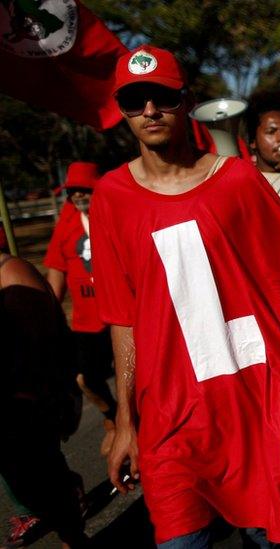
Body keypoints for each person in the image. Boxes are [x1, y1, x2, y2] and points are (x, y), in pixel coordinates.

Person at [93, 45, 280, 548]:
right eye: (134, 101)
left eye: (161, 98)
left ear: (184, 102)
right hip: (170, 422)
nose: (149, 112)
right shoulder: (110, 197)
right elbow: (123, 317)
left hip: (253, 408)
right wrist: (125, 420)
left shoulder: (239, 182)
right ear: (121, 110)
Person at [1, 252, 88, 548]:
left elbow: (40, 353)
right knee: (24, 480)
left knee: (39, 480)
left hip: (26, 400)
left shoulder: (12, 274)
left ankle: (73, 532)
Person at [44, 161, 119, 457]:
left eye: (83, 189)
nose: (78, 196)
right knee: (85, 380)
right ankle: (112, 417)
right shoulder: (66, 226)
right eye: (72, 191)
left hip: (122, 316)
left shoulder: (114, 216)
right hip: (87, 322)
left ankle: (137, 426)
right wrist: (49, 314)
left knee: (138, 379)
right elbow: (55, 273)